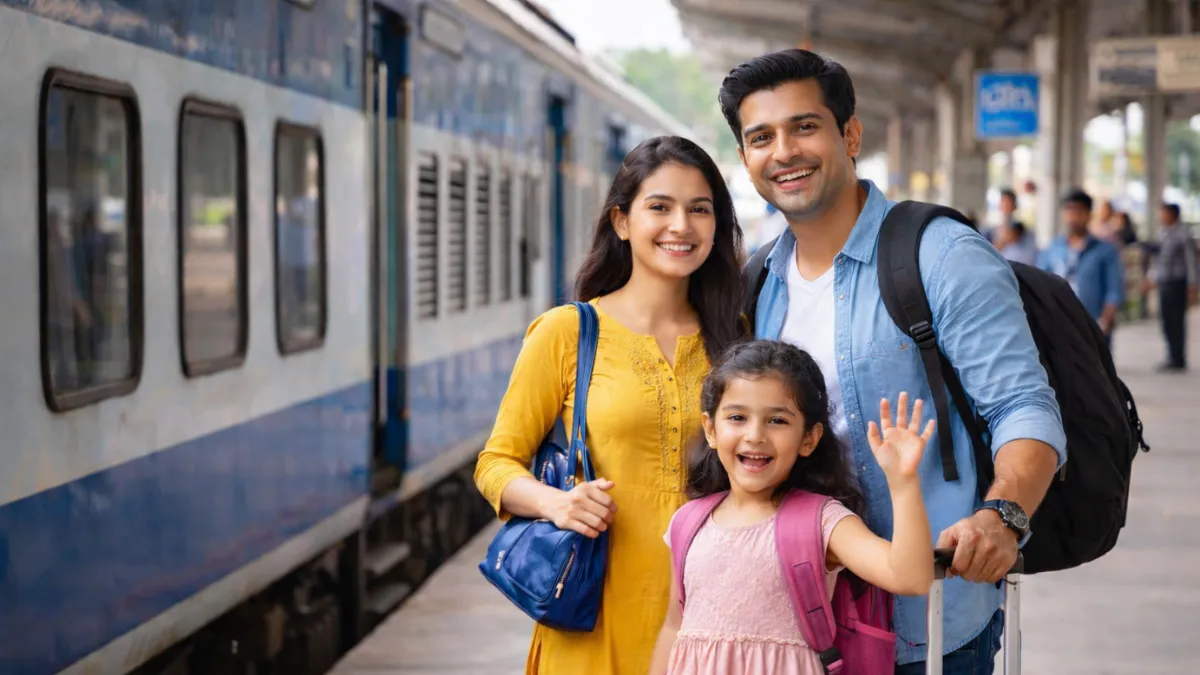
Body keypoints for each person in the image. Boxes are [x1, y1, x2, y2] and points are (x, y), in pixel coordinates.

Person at [719, 49, 1067, 674]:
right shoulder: (757, 282)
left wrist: (1004, 515)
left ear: (849, 135)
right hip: (799, 627)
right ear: (746, 160)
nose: (784, 152)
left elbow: (1024, 407)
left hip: (926, 624)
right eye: (761, 137)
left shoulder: (941, 256)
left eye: (805, 126)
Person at [473, 135, 746, 674]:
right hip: (595, 618)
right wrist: (556, 503)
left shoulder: (735, 341)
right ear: (622, 221)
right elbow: (495, 464)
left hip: (713, 617)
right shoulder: (568, 332)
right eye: (659, 207)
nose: (681, 227)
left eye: (700, 210)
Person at [649, 340, 936, 675]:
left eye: (777, 421)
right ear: (711, 429)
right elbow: (673, 627)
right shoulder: (687, 522)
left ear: (809, 439)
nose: (755, 435)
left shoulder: (821, 521)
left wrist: (903, 485)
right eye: (738, 417)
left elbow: (910, 578)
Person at [1037, 189, 1125, 347]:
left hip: (1092, 326)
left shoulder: (1104, 250)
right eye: (1069, 210)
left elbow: (1114, 290)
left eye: (1079, 210)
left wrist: (1105, 322)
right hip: (1057, 326)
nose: (1073, 216)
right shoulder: (1052, 249)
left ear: (1089, 214)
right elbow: (1038, 285)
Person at [1143, 202, 1197, 371]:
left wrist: (1193, 285)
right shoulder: (1163, 233)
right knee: (1166, 321)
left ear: (1173, 215)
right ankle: (1171, 356)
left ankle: (1178, 358)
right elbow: (1158, 260)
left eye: (1164, 213)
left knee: (1176, 321)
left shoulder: (1183, 235)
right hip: (1164, 282)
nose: (1161, 216)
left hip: (1177, 283)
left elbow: (1191, 262)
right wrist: (1151, 278)